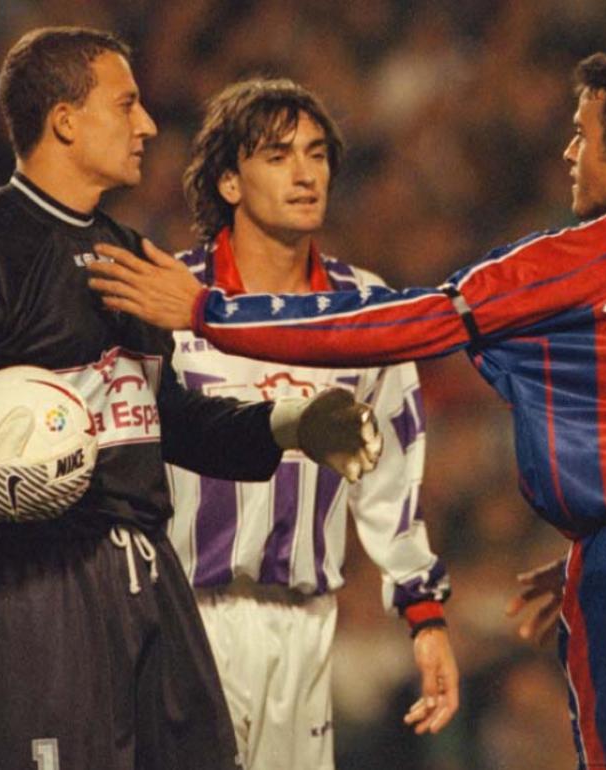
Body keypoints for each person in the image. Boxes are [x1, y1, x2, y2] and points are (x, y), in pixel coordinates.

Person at [88, 46, 606, 770]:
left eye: (581, 134)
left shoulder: (585, 256)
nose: (569, 151)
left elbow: (422, 320)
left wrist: (210, 314)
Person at [0, 27, 379, 770]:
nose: (148, 124)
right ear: (64, 120)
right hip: (40, 586)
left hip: (152, 575)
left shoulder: (125, 253)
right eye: (126, 104)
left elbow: (167, 420)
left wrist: (290, 423)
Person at [164, 77, 459, 770]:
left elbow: (392, 474)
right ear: (229, 182)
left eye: (317, 154)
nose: (305, 172)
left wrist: (425, 614)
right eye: (277, 155)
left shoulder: (364, 308)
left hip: (305, 623)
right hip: (181, 619)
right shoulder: (171, 300)